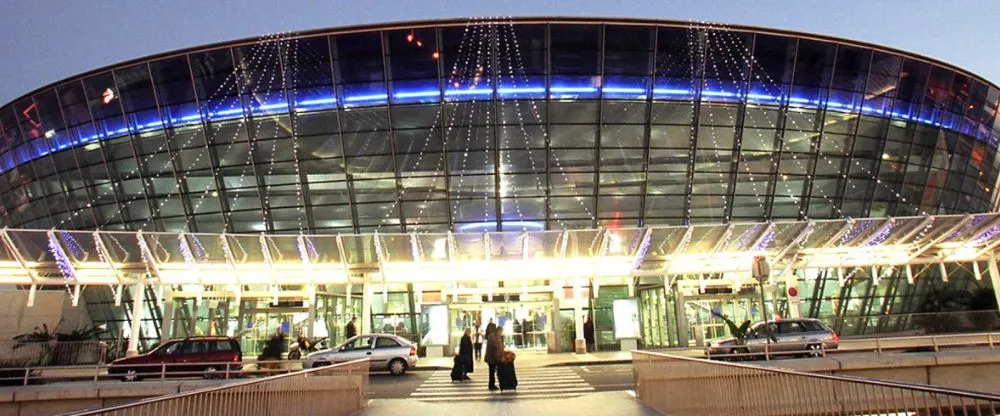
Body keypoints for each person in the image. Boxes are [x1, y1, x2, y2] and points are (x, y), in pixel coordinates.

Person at [484, 325, 505, 391]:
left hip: (491, 357)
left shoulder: (492, 336)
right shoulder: (494, 337)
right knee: (492, 371)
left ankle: (492, 384)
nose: (501, 333)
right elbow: (498, 346)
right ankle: (491, 385)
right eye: (501, 332)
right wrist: (502, 354)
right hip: (492, 357)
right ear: (499, 331)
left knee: (492, 371)